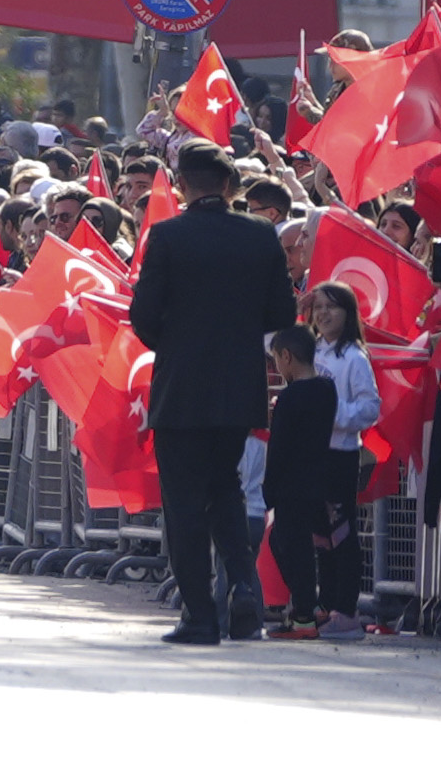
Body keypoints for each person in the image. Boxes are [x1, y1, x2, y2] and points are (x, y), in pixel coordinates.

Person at [129, 140, 297, 645]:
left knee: (182, 502)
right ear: (229, 186)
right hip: (237, 384)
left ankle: (199, 614)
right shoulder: (260, 236)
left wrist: (178, 344)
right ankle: (244, 590)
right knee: (226, 489)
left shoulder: (168, 236)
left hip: (181, 386)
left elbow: (142, 317)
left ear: (182, 186)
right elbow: (282, 316)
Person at [301, 281, 382, 638]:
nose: (324, 314)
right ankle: (326, 603)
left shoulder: (354, 357)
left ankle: (347, 609)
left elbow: (370, 408)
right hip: (312, 455)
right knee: (319, 534)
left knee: (342, 534)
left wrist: (332, 413)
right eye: (319, 307)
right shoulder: (312, 350)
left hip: (341, 456)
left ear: (348, 313)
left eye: (332, 307)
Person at [259, 327, 342, 639]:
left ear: (286, 357)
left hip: (291, 484)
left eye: (276, 361)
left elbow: (279, 447)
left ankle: (304, 615)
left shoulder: (290, 397)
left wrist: (269, 490)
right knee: (308, 546)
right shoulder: (327, 390)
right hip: (320, 478)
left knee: (289, 545)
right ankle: (313, 607)